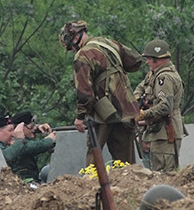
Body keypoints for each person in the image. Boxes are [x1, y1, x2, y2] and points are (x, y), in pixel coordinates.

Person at [59, 20, 143, 165]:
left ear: (74, 38)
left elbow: (84, 91)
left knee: (94, 153)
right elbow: (135, 60)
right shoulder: (109, 43)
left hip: (103, 111)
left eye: (70, 47)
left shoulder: (82, 55)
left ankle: (93, 185)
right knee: (126, 161)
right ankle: (129, 186)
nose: (72, 50)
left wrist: (80, 116)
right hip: (126, 108)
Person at [133, 39, 186, 172]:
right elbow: (141, 87)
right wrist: (137, 99)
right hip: (160, 130)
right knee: (159, 169)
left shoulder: (165, 78)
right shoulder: (154, 74)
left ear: (158, 59)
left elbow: (166, 106)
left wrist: (144, 114)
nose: (147, 62)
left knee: (165, 173)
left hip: (166, 131)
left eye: (149, 59)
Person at [9, 110, 57, 183]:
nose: (34, 128)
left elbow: (28, 131)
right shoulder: (17, 143)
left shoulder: (18, 139)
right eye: (31, 126)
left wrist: (38, 128)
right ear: (21, 127)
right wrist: (49, 140)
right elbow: (34, 146)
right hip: (24, 182)